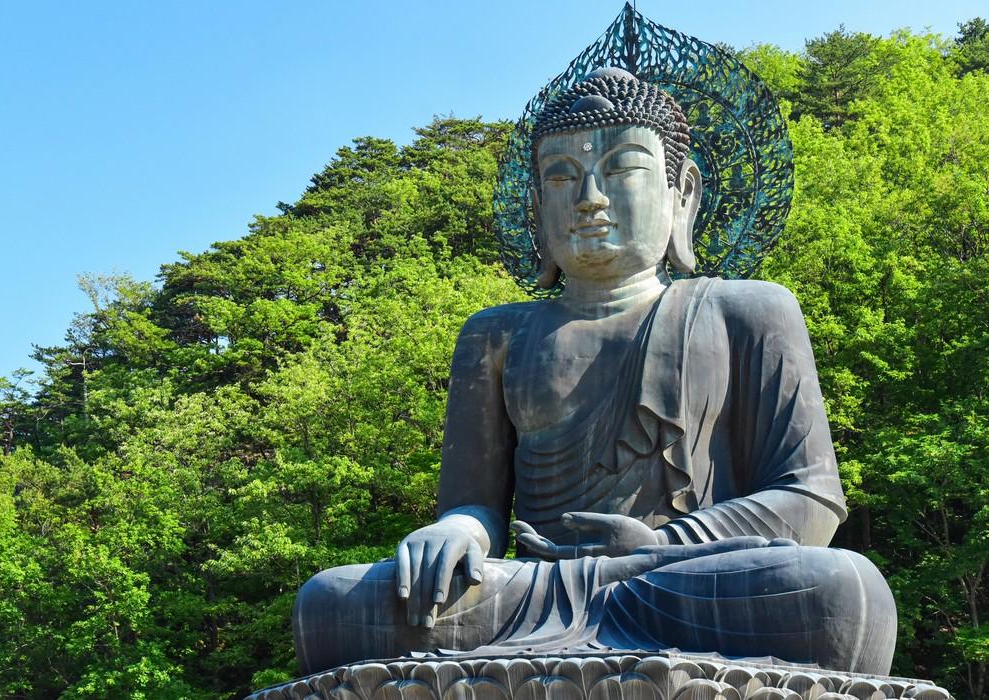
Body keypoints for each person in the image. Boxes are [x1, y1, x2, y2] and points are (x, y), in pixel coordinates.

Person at [292, 68, 897, 676]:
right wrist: (455, 533)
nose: (589, 198)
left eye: (621, 168)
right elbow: (475, 508)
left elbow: (809, 497)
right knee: (330, 602)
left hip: (682, 579)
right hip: (532, 588)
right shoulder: (496, 333)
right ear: (537, 205)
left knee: (841, 587)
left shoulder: (747, 309)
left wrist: (664, 546)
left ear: (680, 191)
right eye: (560, 176)